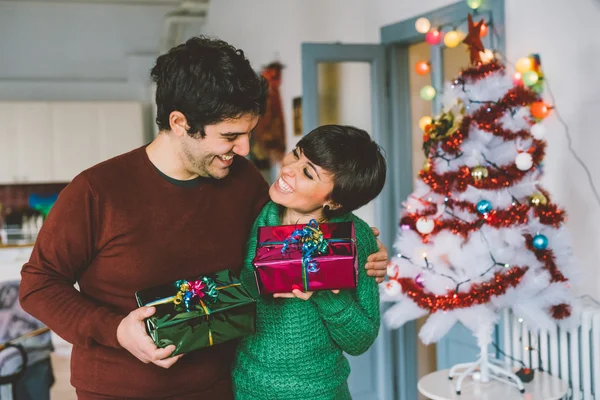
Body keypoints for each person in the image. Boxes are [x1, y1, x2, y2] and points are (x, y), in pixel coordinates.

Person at [18, 36, 389, 400]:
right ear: (180, 123)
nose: (243, 149)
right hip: (121, 390)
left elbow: (296, 228)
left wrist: (361, 251)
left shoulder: (243, 181)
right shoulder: (96, 191)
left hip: (225, 387)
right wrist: (115, 330)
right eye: (230, 136)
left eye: (247, 134)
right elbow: (39, 285)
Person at [233, 125, 386, 399]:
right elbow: (239, 295)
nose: (288, 168)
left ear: (335, 201)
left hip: (320, 391)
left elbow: (361, 340)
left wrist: (325, 293)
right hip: (248, 386)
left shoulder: (356, 239)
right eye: (296, 154)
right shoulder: (256, 214)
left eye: (307, 172)